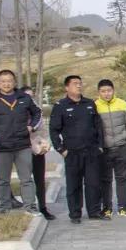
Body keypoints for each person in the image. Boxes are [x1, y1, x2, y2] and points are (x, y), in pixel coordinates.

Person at [0, 70, 42, 215]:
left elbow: (37, 113)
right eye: (3, 81)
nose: (6, 84)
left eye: (9, 81)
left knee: (26, 179)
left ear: (14, 82)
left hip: (22, 145)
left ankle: (30, 207)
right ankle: (4, 209)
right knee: (3, 180)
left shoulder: (25, 98)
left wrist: (31, 126)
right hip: (2, 147)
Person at [49, 75, 104, 223]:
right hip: (72, 152)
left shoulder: (90, 103)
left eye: (80, 83)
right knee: (74, 185)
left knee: (93, 183)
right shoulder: (60, 106)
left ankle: (94, 211)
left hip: (91, 151)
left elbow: (98, 126)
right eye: (75, 84)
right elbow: (54, 130)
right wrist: (61, 149)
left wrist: (99, 146)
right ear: (67, 87)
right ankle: (75, 214)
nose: (79, 86)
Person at [95, 79, 126, 218]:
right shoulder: (95, 106)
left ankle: (123, 207)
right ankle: (107, 207)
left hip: (122, 147)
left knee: (122, 178)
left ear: (113, 90)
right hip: (104, 150)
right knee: (105, 180)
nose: (106, 94)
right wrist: (98, 147)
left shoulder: (122, 104)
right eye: (103, 91)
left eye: (109, 90)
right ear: (99, 92)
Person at [20, 86, 55, 220]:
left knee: (40, 180)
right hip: (22, 150)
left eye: (32, 96)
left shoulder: (37, 113)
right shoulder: (17, 112)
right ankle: (29, 207)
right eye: (27, 96)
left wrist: (44, 144)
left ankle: (43, 207)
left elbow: (43, 131)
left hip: (37, 151)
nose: (30, 98)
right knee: (26, 180)